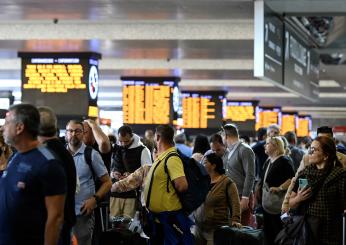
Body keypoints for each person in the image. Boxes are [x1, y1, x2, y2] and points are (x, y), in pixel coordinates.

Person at [0, 103, 66, 245]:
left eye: (6, 123)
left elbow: (56, 217)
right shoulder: (16, 157)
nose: (3, 128)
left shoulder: (48, 163)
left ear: (19, 127)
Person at [289, 136, 346, 245]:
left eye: (314, 149)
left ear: (326, 155)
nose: (310, 152)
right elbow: (291, 204)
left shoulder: (339, 176)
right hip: (307, 232)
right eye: (310, 148)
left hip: (331, 234)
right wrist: (298, 198)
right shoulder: (304, 175)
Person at [143, 125, 193, 245]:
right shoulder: (162, 157)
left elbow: (182, 185)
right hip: (158, 221)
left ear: (158, 137)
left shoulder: (172, 158)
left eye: (155, 136)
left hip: (168, 221)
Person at [66, 120, 112, 245]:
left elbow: (107, 182)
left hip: (82, 213)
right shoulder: (61, 155)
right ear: (66, 133)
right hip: (63, 213)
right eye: (70, 131)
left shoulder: (91, 154)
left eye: (77, 131)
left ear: (83, 134)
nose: (73, 134)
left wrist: (94, 199)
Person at [37, 106, 77, 245]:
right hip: (62, 224)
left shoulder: (47, 155)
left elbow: (54, 210)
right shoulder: (62, 151)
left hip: (53, 229)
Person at [193, 153, 241, 245]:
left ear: (214, 165)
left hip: (216, 229)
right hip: (199, 227)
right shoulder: (201, 180)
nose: (202, 165)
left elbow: (235, 203)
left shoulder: (227, 183)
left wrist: (236, 219)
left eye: (205, 163)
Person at [110, 125, 152, 218]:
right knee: (113, 225)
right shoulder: (115, 148)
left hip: (133, 195)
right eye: (120, 141)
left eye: (126, 141)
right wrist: (113, 174)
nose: (123, 144)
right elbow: (108, 169)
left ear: (132, 136)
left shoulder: (143, 150)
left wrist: (133, 176)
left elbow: (147, 175)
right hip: (114, 194)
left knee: (129, 227)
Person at [260, 136, 294, 245]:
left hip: (278, 204)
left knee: (278, 233)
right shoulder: (268, 161)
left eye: (268, 143)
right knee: (268, 233)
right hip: (267, 203)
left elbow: (292, 180)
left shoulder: (284, 161)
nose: (264, 145)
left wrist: (280, 188)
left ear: (275, 146)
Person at [222, 124, 256, 226]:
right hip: (230, 195)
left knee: (241, 230)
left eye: (222, 136)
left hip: (241, 196)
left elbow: (250, 175)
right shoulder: (228, 151)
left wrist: (245, 197)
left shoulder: (245, 150)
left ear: (226, 136)